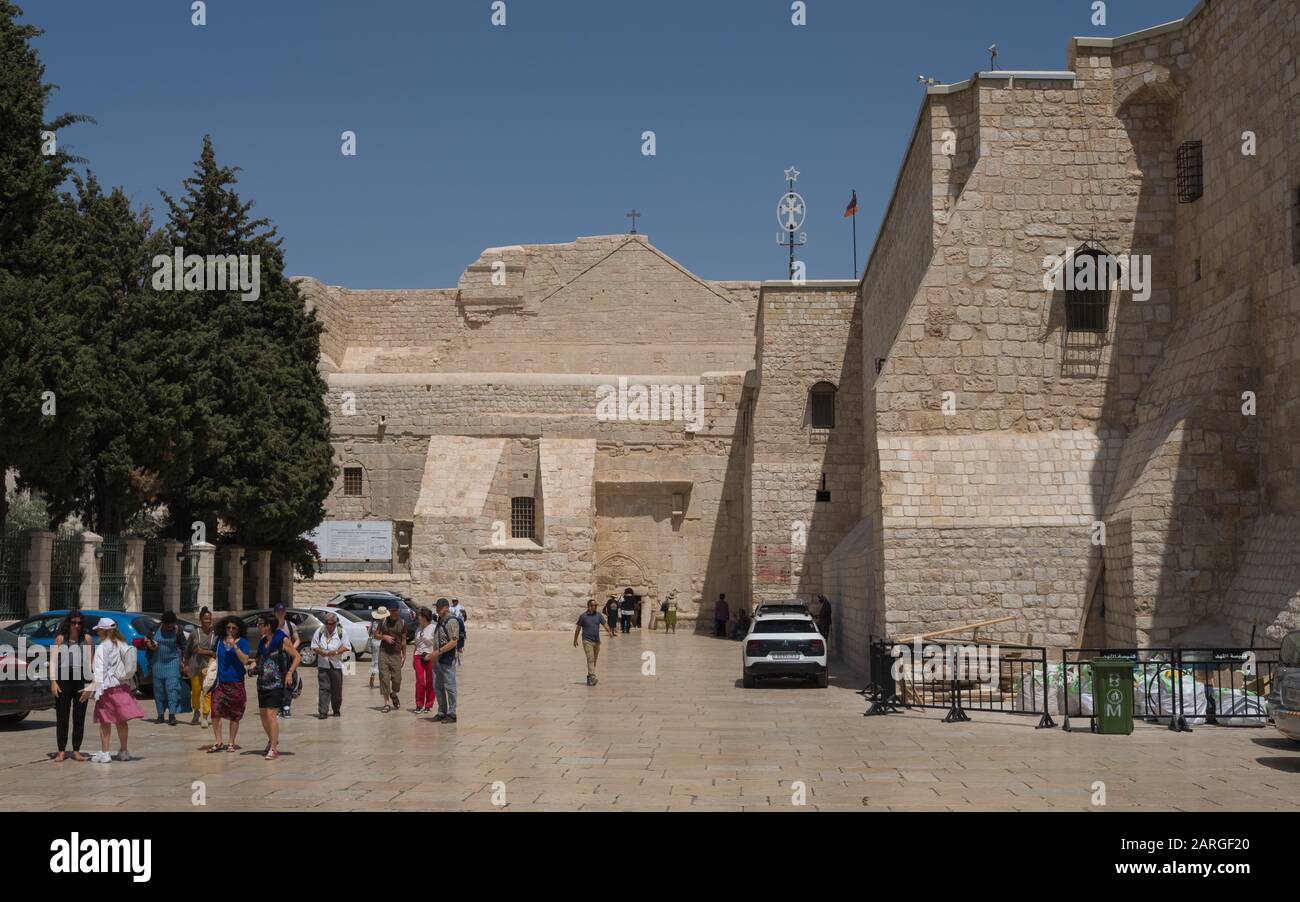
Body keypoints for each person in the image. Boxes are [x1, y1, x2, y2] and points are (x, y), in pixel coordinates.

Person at [80, 618, 145, 763]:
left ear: (104, 630)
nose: (97, 632)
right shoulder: (122, 643)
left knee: (105, 721)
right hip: (122, 686)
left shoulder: (103, 647)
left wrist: (91, 689)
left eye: (99, 630)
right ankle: (123, 750)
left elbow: (99, 671)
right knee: (121, 720)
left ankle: (105, 752)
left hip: (107, 689)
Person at [254, 614, 300, 761]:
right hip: (262, 682)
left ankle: (273, 749)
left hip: (277, 682)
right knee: (263, 716)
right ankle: (272, 739)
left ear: (268, 626)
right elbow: (259, 659)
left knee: (271, 714)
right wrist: (252, 667)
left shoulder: (282, 640)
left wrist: (289, 673)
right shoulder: (262, 642)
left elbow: (297, 657)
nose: (258, 626)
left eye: (261, 624)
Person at [51, 610, 94, 762]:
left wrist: (90, 685)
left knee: (79, 715)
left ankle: (76, 750)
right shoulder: (60, 639)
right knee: (62, 715)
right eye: (73, 622)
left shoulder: (87, 639)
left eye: (79, 623)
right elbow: (54, 662)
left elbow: (90, 663)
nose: (76, 626)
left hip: (81, 677)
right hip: (63, 677)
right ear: (68, 623)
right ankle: (61, 750)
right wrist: (53, 682)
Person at [209, 616, 251, 754]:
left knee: (235, 715)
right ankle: (218, 741)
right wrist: (209, 667)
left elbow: (245, 660)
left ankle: (231, 742)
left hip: (236, 683)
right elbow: (215, 656)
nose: (231, 630)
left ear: (239, 629)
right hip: (220, 683)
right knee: (215, 712)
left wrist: (235, 647)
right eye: (228, 628)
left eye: (234, 628)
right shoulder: (219, 642)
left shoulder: (243, 642)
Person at [145, 610, 187, 725]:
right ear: (163, 623)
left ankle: (172, 715)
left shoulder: (177, 630)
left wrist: (185, 660)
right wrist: (149, 645)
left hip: (172, 662)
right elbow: (147, 640)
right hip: (157, 663)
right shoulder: (155, 629)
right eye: (168, 625)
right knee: (159, 690)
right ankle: (160, 715)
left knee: (172, 688)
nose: (170, 627)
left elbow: (184, 645)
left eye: (172, 625)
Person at [183, 607, 217, 727]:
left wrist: (204, 652)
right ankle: (196, 711)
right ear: (201, 619)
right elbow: (187, 650)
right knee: (196, 692)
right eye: (205, 618)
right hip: (195, 666)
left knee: (207, 691)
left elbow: (216, 652)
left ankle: (205, 716)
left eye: (209, 619)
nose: (208, 621)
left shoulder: (215, 635)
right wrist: (185, 665)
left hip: (208, 667)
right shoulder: (194, 633)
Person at [310, 612, 348, 719]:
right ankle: (323, 711)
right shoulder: (320, 631)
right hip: (323, 665)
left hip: (336, 665)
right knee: (324, 688)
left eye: (332, 623)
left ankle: (336, 709)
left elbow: (346, 646)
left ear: (336, 623)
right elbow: (314, 645)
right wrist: (322, 652)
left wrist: (334, 652)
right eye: (327, 623)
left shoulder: (341, 632)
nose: (329, 625)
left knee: (337, 689)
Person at [429, 598, 461, 723]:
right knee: (437, 686)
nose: (436, 610)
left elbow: (454, 641)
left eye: (438, 607)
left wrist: (438, 652)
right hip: (437, 659)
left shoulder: (452, 621)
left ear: (445, 608)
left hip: (447, 658)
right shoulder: (441, 620)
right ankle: (442, 711)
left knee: (450, 686)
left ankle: (452, 713)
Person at [573, 598, 615, 686]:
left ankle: (589, 677)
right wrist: (575, 639)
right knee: (590, 658)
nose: (595, 607)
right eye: (594, 605)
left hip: (596, 641)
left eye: (596, 605)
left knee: (594, 659)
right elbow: (578, 629)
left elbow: (604, 624)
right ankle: (592, 676)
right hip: (587, 640)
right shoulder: (583, 616)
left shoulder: (599, 615)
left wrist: (609, 631)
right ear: (589, 606)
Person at [375, 605, 406, 713]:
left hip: (396, 654)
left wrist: (404, 654)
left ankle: (394, 694)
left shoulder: (402, 622)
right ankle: (386, 703)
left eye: (395, 610)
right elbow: (376, 635)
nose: (393, 612)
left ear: (398, 611)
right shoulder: (383, 621)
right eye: (391, 610)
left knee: (397, 679)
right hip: (383, 652)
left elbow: (403, 640)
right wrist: (384, 637)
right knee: (384, 678)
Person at [273, 603, 298, 718]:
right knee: (275, 680)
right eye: (278, 611)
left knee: (287, 679)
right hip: (274, 657)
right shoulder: (272, 626)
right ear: (275, 613)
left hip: (287, 656)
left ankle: (286, 705)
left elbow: (297, 639)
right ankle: (278, 706)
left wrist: (292, 650)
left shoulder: (290, 625)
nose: (280, 613)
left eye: (282, 611)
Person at [412, 606, 436, 713]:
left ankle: (429, 704)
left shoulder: (433, 628)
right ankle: (419, 704)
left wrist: (435, 656)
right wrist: (413, 657)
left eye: (420, 616)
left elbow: (436, 644)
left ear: (425, 617)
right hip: (418, 655)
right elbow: (416, 644)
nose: (418, 618)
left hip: (430, 656)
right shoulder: (418, 628)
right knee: (420, 681)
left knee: (430, 681)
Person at [368, 612, 382, 688]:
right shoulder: (382, 623)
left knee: (374, 660)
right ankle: (381, 681)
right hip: (380, 642)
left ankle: (372, 676)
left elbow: (369, 633)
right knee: (381, 661)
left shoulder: (372, 623)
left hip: (374, 642)